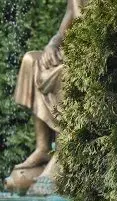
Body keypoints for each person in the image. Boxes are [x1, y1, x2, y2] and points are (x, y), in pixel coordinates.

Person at [13, 0, 87, 169]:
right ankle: (42, 147)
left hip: (90, 60)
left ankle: (62, 150)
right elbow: (62, 33)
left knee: (64, 73)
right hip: (69, 54)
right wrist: (51, 46)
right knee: (31, 60)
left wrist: (76, 4)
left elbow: (88, 29)